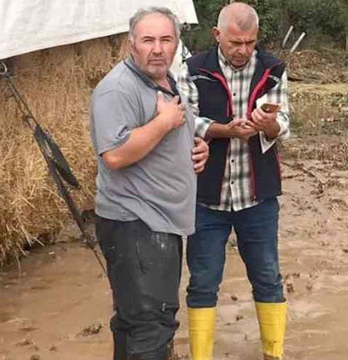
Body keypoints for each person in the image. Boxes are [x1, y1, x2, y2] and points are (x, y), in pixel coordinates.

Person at [89, 6, 209, 360]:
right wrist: (164, 123)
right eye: (148, 40)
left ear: (176, 43)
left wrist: (194, 146)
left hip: (159, 223)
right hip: (137, 225)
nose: (157, 48)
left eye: (166, 39)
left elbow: (170, 129)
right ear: (131, 45)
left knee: (133, 323)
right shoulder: (117, 89)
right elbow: (114, 154)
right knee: (151, 326)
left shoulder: (165, 79)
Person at [176, 2, 291, 359]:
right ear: (217, 36)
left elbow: (283, 122)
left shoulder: (272, 69)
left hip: (257, 197)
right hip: (206, 198)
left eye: (250, 43)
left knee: (268, 277)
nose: (243, 51)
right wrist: (224, 130)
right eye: (235, 43)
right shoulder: (192, 70)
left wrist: (267, 124)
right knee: (203, 283)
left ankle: (274, 354)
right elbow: (182, 119)